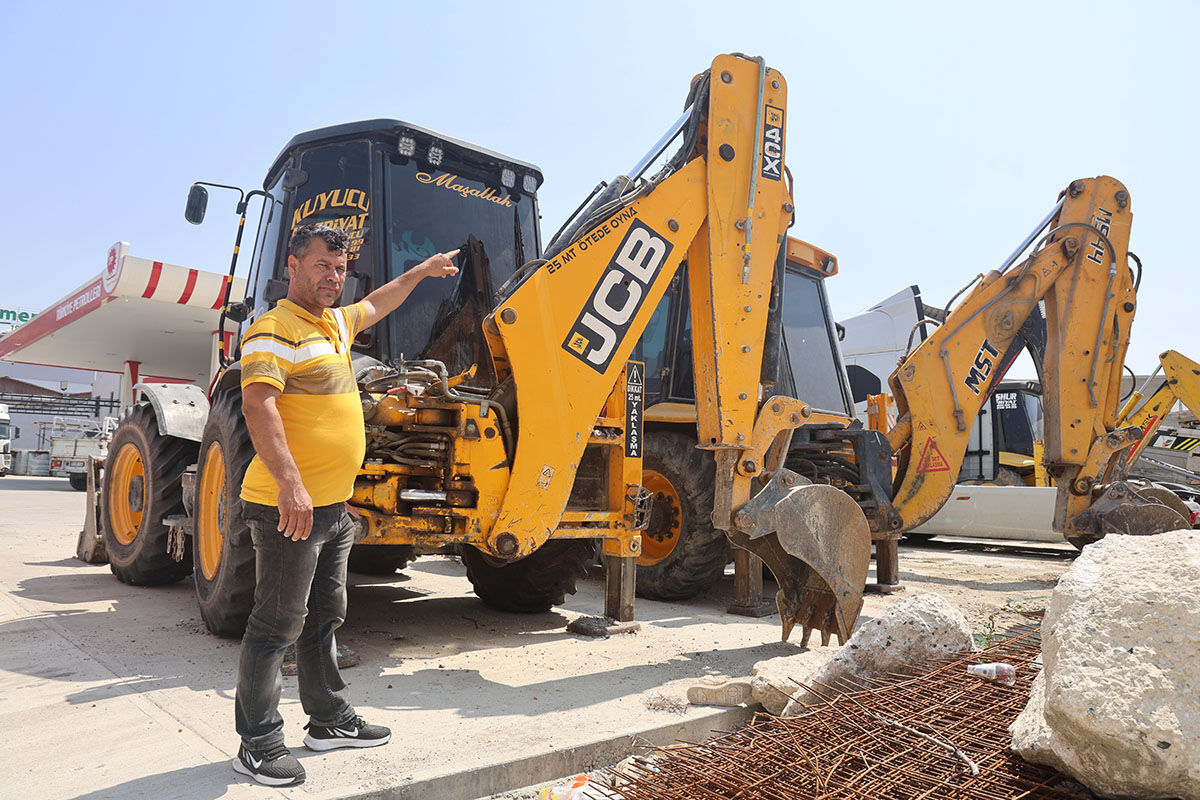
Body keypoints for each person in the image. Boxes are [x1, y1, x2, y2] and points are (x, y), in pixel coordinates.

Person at [232, 223, 458, 786]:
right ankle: (257, 743)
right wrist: (291, 485)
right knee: (276, 624)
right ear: (293, 266)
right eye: (321, 267)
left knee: (325, 616)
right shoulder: (273, 328)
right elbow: (259, 405)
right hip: (289, 505)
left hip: (331, 507)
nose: (333, 278)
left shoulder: (333, 322)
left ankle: (327, 719)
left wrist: (423, 272)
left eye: (340, 270)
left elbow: (378, 303)